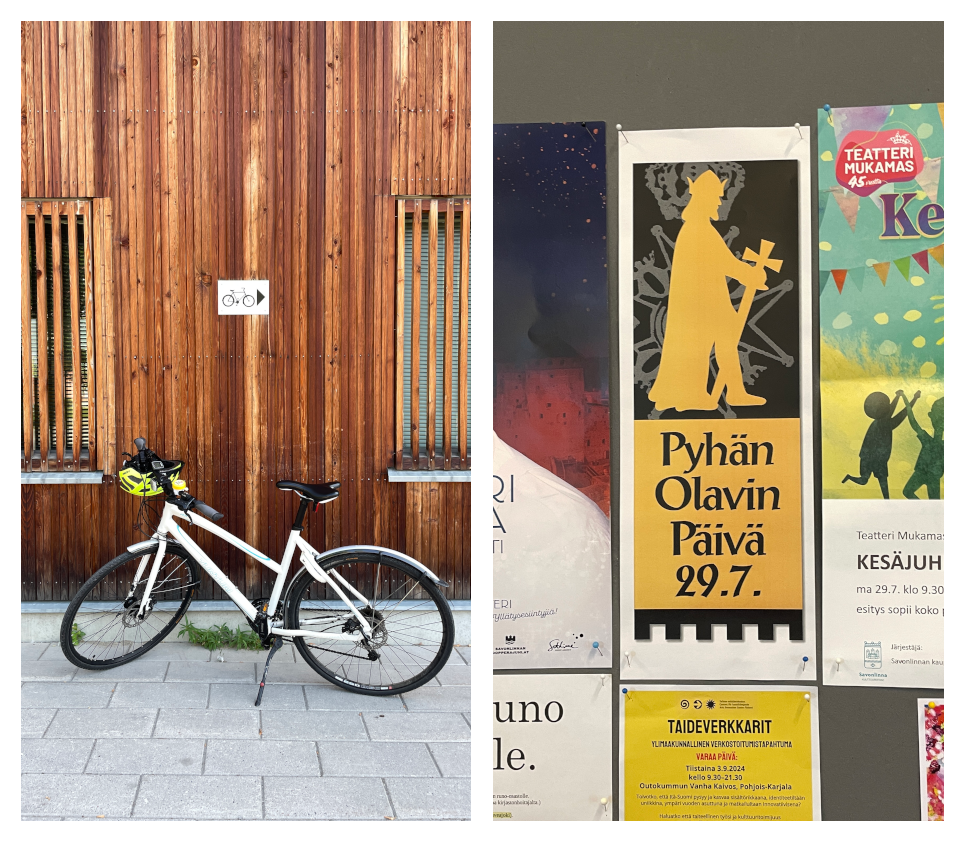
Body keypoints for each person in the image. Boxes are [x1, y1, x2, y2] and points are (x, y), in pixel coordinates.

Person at [648, 169, 768, 412]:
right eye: (715, 197)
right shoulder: (697, 229)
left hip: (712, 298)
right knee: (697, 347)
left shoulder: (701, 227)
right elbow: (724, 262)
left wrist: (751, 274)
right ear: (703, 198)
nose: (718, 202)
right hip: (699, 303)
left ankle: (734, 392)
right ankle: (689, 395)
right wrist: (750, 274)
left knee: (726, 341)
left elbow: (721, 262)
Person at [843, 390, 919, 499]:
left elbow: (892, 409)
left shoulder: (879, 421)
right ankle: (886, 502)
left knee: (871, 481)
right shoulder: (885, 423)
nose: (889, 407)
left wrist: (898, 397)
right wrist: (914, 398)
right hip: (875, 459)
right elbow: (903, 413)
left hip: (870, 457)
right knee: (879, 482)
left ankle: (886, 502)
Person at [901, 395, 943, 500]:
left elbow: (913, 422)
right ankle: (925, 511)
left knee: (934, 502)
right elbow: (913, 421)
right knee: (907, 491)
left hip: (932, 475)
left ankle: (929, 512)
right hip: (922, 472)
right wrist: (906, 400)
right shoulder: (927, 439)